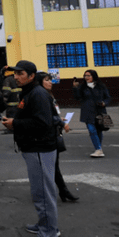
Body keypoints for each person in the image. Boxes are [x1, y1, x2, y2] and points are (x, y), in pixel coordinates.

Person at [1, 61, 60, 237]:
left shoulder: (38, 94)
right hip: (34, 149)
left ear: (32, 76)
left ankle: (49, 236)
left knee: (43, 194)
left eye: (20, 74)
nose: (16, 77)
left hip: (40, 149)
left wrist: (14, 123)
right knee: (40, 192)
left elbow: (43, 123)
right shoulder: (30, 92)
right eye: (15, 74)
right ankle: (45, 225)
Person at [37, 72, 79, 203]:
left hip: (53, 133)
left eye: (50, 80)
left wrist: (59, 119)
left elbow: (51, 114)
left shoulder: (49, 95)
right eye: (47, 80)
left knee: (54, 165)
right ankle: (61, 191)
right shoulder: (40, 96)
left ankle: (62, 191)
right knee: (51, 165)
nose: (50, 82)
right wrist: (60, 122)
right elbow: (44, 117)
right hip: (45, 136)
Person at [73, 69, 111, 158]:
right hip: (87, 112)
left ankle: (98, 147)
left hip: (100, 111)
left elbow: (108, 97)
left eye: (88, 75)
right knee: (91, 130)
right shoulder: (83, 87)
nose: (86, 77)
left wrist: (104, 103)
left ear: (94, 76)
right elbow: (77, 98)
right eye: (85, 76)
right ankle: (98, 149)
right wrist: (75, 88)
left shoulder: (101, 86)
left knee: (99, 130)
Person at [1, 66, 21, 135]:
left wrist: (3, 102)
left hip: (11, 104)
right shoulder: (17, 79)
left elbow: (6, 92)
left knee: (10, 116)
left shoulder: (8, 79)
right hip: (18, 102)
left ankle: (11, 129)